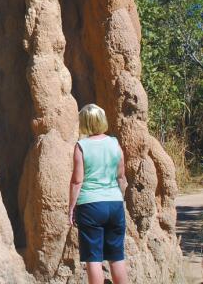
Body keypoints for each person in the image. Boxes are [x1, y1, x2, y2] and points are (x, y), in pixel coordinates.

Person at [68, 103, 130, 284]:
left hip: (90, 205)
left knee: (93, 258)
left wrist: (71, 207)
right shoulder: (114, 143)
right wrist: (119, 199)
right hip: (114, 203)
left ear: (84, 123)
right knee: (117, 256)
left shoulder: (81, 146)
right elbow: (121, 176)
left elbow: (77, 180)